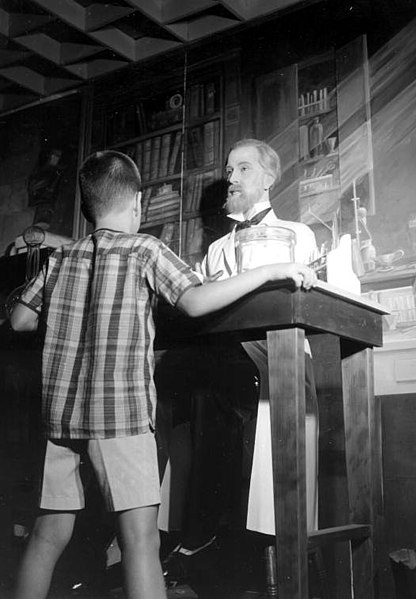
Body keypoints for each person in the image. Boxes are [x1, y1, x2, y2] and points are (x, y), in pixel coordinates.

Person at [8, 149, 318, 599]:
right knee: (140, 541)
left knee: (48, 534)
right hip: (120, 416)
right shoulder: (145, 249)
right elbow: (195, 302)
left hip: (60, 419)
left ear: (87, 206)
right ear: (136, 205)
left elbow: (20, 319)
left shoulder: (60, 258)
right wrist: (273, 269)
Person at [160, 138, 319, 582]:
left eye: (243, 169)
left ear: (269, 179)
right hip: (228, 367)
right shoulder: (215, 250)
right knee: (181, 375)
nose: (231, 177)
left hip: (278, 363)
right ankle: (195, 535)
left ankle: (204, 539)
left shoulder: (297, 235)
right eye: (230, 170)